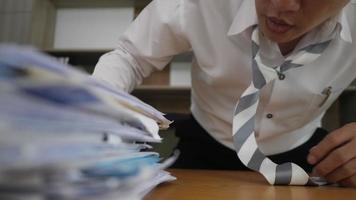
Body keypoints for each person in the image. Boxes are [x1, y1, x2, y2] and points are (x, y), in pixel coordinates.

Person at [93, 0, 356, 187]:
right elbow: (130, 57)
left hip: (304, 155)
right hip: (203, 144)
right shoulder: (200, 5)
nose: (282, 4)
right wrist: (94, 109)